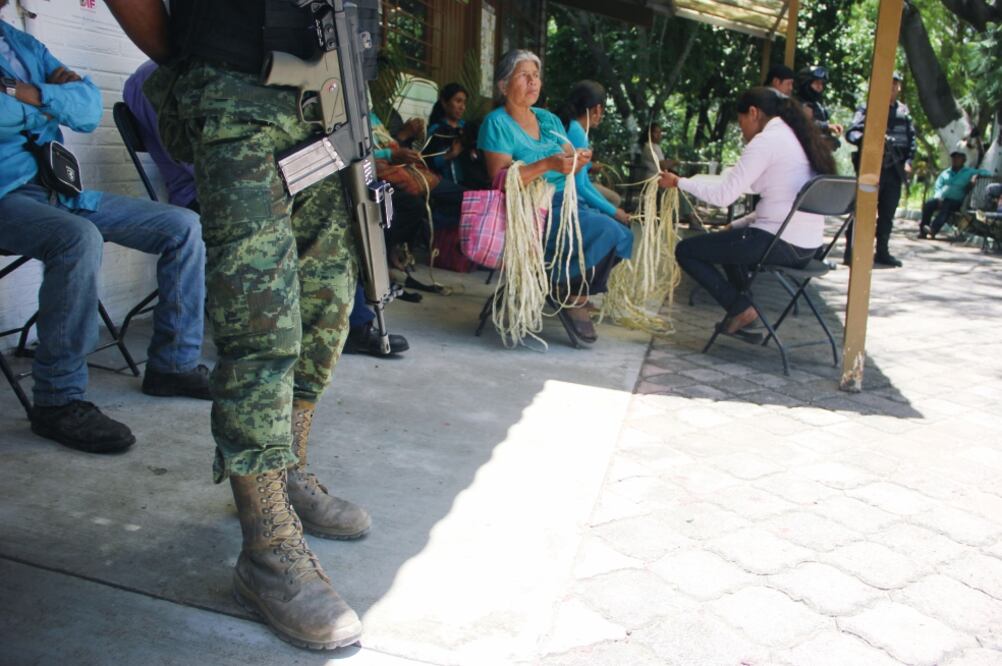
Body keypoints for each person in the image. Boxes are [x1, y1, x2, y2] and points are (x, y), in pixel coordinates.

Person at [107, 0, 373, 650]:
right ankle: (267, 545)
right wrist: (194, 53)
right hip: (233, 90)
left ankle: (288, 468)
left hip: (330, 99)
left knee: (328, 306)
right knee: (260, 323)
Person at [0, 10, 209, 455]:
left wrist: (26, 93)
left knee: (183, 226)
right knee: (77, 238)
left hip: (60, 191)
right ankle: (58, 399)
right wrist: (48, 98)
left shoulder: (19, 42)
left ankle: (172, 365)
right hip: (6, 196)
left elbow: (88, 108)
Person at [126, 61, 407, 358]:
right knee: (303, 218)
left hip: (255, 181)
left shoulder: (207, 68)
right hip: (209, 194)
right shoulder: (152, 81)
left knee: (336, 211)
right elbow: (201, 160)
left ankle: (350, 323)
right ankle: (277, 340)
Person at [478, 50, 633, 343]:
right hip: (534, 209)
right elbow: (501, 180)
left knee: (623, 234)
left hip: (567, 201)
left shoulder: (548, 119)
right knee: (607, 229)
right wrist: (547, 164)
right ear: (503, 85)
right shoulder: (496, 123)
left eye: (536, 76)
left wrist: (578, 160)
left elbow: (569, 161)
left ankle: (566, 283)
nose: (533, 82)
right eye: (524, 75)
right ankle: (573, 292)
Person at [661, 87, 837, 335]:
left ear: (753, 113)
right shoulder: (797, 139)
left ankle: (741, 308)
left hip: (779, 243)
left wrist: (678, 182)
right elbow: (782, 203)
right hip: (807, 248)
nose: (741, 129)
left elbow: (723, 196)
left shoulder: (767, 141)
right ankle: (743, 309)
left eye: (741, 121)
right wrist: (737, 224)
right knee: (732, 242)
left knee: (686, 251)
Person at [845, 71, 916, 267]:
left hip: (894, 171)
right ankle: (851, 252)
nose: (892, 87)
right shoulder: (868, 107)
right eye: (888, 83)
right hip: (871, 170)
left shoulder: (903, 112)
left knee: (887, 215)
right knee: (861, 211)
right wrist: (869, 139)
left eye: (895, 84)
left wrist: (909, 161)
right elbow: (852, 133)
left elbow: (912, 140)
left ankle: (882, 252)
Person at [557, 80, 631, 225]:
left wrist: (611, 210)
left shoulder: (567, 125)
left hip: (560, 195)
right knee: (620, 230)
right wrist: (614, 212)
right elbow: (580, 186)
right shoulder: (577, 132)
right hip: (565, 200)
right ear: (597, 109)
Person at [919, 150, 989, 240]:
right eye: (954, 158)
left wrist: (976, 175)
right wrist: (938, 198)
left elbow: (987, 173)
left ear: (963, 160)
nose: (955, 160)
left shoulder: (969, 171)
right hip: (941, 199)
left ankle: (933, 230)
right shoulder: (945, 173)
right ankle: (923, 231)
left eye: (958, 158)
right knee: (928, 205)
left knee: (947, 205)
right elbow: (938, 187)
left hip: (956, 201)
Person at [426, 82, 468, 184]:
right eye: (458, 101)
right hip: (444, 184)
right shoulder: (436, 130)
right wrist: (450, 155)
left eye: (464, 102)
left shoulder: (467, 127)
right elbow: (427, 162)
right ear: (444, 103)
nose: (462, 107)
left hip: (469, 183)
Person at [794, 65, 843, 149]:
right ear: (805, 83)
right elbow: (801, 124)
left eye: (822, 84)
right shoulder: (794, 103)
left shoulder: (818, 105)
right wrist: (827, 126)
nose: (820, 87)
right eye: (817, 83)